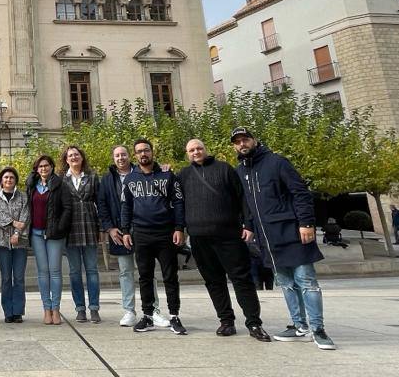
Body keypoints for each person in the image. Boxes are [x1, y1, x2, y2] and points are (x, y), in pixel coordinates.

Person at [232, 126, 336, 350]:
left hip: (291, 231)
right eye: (237, 142)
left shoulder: (277, 162)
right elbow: (247, 205)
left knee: (306, 281)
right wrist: (249, 226)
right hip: (267, 238)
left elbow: (300, 193)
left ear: (254, 140)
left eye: (245, 139)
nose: (242, 144)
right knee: (286, 283)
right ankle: (300, 326)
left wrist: (306, 223)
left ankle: (318, 329)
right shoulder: (241, 171)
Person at [177, 139, 270, 341]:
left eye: (199, 148)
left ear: (205, 149)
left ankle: (254, 323)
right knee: (213, 281)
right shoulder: (183, 175)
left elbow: (242, 198)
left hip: (229, 235)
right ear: (187, 153)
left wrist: (248, 224)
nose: (196, 152)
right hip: (199, 238)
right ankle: (226, 321)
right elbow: (178, 204)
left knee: (241, 279)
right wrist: (180, 228)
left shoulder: (225, 169)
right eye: (191, 150)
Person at [97, 145, 171, 328]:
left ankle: (154, 311)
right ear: (113, 158)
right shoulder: (107, 179)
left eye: (123, 154)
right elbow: (102, 205)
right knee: (125, 271)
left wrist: (164, 169)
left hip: (143, 229)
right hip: (119, 232)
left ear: (130, 156)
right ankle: (129, 310)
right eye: (117, 155)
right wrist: (110, 228)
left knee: (147, 272)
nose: (120, 158)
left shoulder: (144, 173)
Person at [121, 139, 187, 335]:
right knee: (145, 277)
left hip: (166, 232)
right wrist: (125, 231)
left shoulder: (167, 175)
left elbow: (179, 202)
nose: (143, 154)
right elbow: (126, 206)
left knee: (170, 276)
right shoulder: (130, 179)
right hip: (141, 233)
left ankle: (174, 316)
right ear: (135, 155)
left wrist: (179, 228)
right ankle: (148, 316)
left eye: (146, 150)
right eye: (139, 151)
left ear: (152, 152)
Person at [26, 155, 70, 325]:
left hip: (54, 235)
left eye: (46, 165)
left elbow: (67, 208)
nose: (43, 168)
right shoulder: (32, 185)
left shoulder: (60, 185)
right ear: (36, 169)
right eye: (40, 166)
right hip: (36, 234)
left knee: (55, 271)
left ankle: (56, 309)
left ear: (51, 167)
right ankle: (46, 309)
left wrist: (59, 228)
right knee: (43, 272)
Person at [62, 145, 102, 323]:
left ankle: (94, 308)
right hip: (70, 229)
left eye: (76, 154)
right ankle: (80, 308)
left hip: (90, 227)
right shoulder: (62, 180)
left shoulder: (92, 177)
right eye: (70, 155)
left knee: (92, 270)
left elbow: (100, 202)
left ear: (82, 157)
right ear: (66, 160)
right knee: (74, 272)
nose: (74, 157)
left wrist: (102, 227)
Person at [0, 166, 30, 324]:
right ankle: (8, 311)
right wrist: (12, 223)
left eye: (12, 177)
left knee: (19, 278)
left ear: (15, 180)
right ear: (1, 179)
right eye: (6, 177)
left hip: (20, 243)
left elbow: (25, 217)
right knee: (6, 278)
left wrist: (17, 234)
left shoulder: (23, 196)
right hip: (2, 243)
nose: (9, 180)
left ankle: (18, 311)